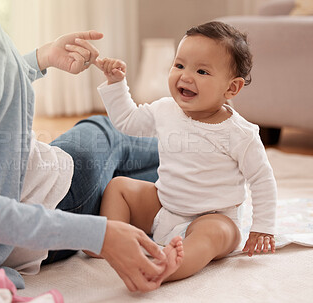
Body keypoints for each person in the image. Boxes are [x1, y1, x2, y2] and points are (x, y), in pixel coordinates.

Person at [0, 0, 169, 292]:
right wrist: (97, 234)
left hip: (16, 232)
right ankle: (212, 150)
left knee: (164, 185)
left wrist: (39, 59)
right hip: (55, 200)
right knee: (109, 132)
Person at [93, 21, 277, 283]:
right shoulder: (165, 109)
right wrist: (115, 83)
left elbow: (262, 180)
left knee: (213, 234)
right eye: (179, 65)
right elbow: (128, 122)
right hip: (164, 205)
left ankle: (164, 269)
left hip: (213, 216)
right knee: (119, 187)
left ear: (231, 88)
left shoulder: (240, 133)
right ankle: (111, 239)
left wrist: (263, 228)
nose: (186, 76)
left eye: (202, 71)